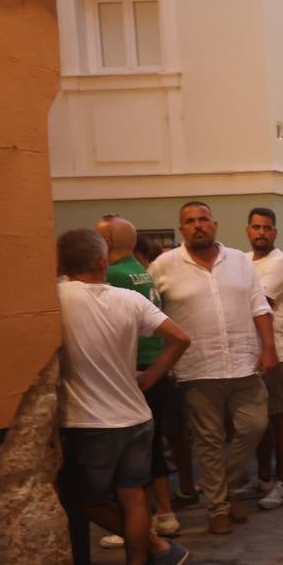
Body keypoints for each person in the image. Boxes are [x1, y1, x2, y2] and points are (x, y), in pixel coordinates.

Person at [55, 228, 191, 565]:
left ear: (59, 264)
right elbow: (180, 338)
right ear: (103, 262)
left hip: (90, 421)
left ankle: (159, 548)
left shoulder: (56, 299)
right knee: (133, 498)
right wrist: (149, 376)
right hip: (136, 415)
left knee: (85, 499)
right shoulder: (131, 300)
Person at [150, 201, 277, 535]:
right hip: (197, 368)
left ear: (214, 224)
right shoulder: (163, 266)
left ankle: (218, 487)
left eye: (203, 219)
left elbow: (259, 306)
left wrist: (269, 347)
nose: (197, 226)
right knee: (207, 440)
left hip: (244, 362)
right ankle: (219, 506)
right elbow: (149, 312)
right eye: (190, 221)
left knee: (254, 426)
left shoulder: (238, 261)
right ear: (182, 229)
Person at [94, 215, 181, 547]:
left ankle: (138, 521)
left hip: (136, 368)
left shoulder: (113, 275)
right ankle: (165, 513)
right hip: (154, 365)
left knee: (134, 451)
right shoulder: (138, 269)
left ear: (110, 240)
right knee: (153, 442)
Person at [239, 207, 283, 510]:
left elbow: (260, 304)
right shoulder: (244, 260)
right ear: (248, 230)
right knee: (258, 419)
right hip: (250, 351)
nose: (261, 233)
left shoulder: (281, 263)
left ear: (274, 232)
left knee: (280, 415)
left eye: (267, 228)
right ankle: (263, 477)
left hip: (275, 350)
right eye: (256, 227)